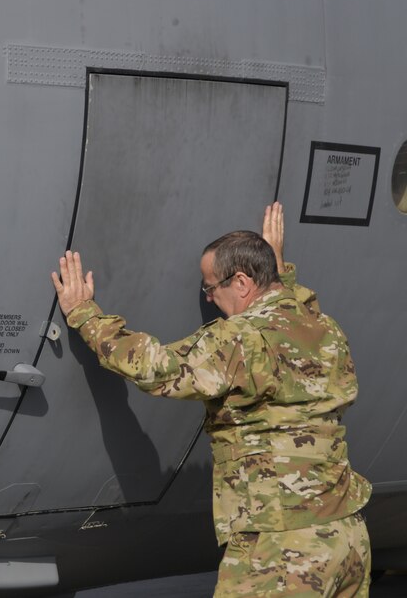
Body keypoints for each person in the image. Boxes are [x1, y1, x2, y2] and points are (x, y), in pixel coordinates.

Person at [51, 202, 372, 596]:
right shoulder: (324, 328)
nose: (208, 299)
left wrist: (84, 313)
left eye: (210, 287)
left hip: (281, 552)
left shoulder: (239, 338)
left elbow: (155, 367)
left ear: (241, 283)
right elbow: (295, 313)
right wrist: (276, 269)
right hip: (346, 537)